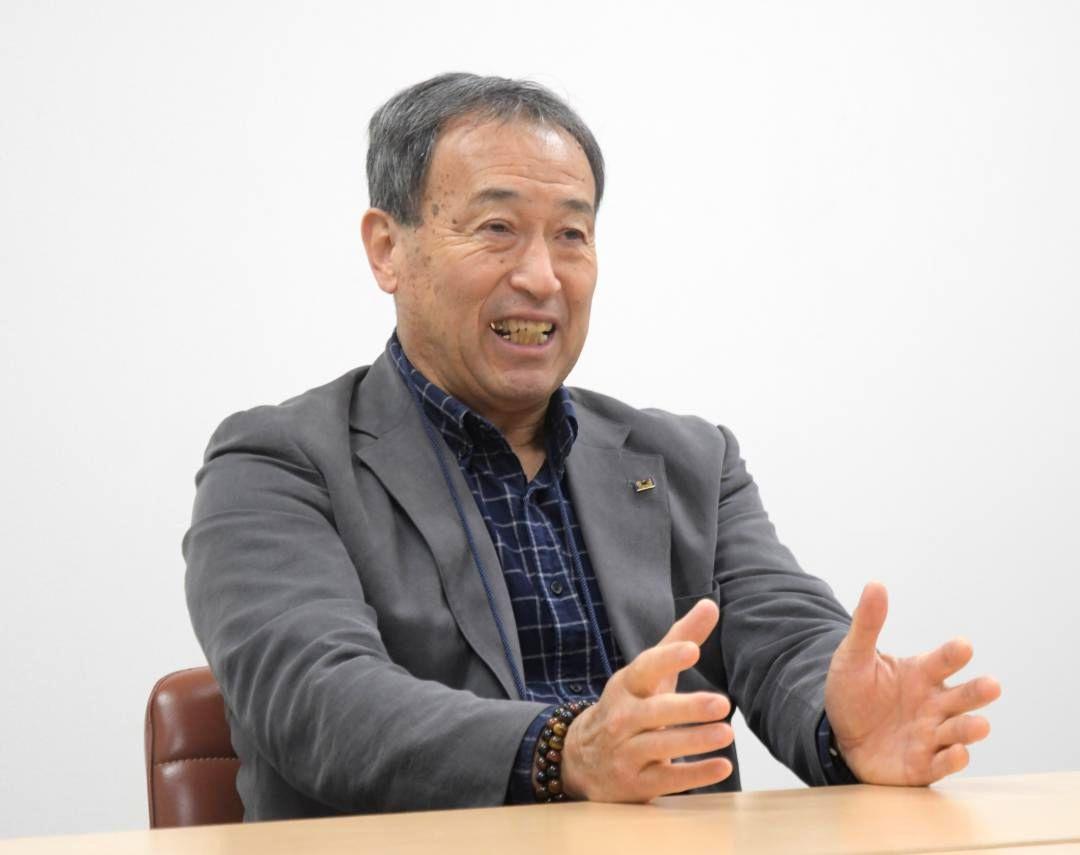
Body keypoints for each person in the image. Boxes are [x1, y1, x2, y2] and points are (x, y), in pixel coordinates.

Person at [184, 72, 1001, 820]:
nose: (542, 277)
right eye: (498, 228)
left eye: (572, 235)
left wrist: (838, 720)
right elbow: (318, 699)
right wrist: (563, 750)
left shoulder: (690, 459)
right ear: (387, 248)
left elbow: (785, 636)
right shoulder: (276, 462)